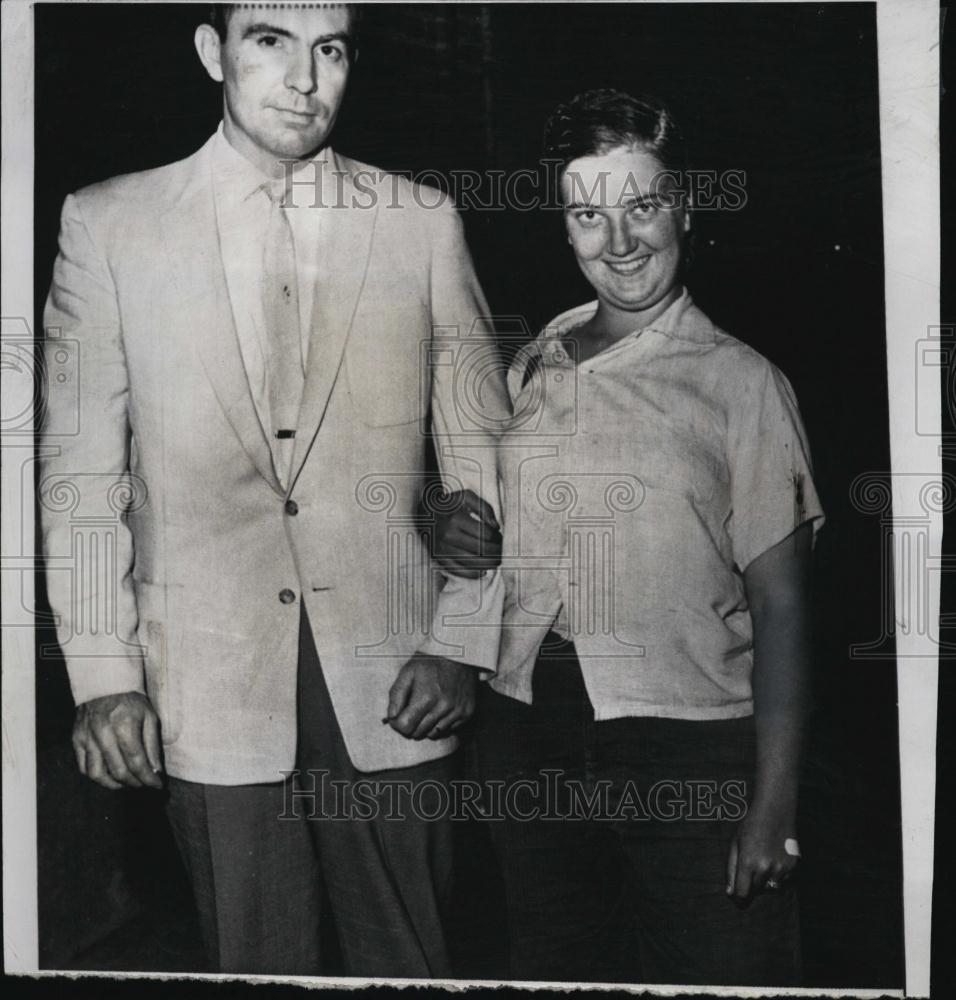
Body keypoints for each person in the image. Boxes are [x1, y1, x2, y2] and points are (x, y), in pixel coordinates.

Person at [39, 2, 509, 977]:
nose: (304, 77)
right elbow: (81, 476)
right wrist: (103, 675)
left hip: (396, 683)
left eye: (329, 48)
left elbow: (483, 456)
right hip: (205, 683)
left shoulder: (419, 221)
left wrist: (461, 639)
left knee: (409, 963)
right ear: (213, 51)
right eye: (270, 40)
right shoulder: (107, 223)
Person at [434, 89, 824, 986]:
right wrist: (453, 528)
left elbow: (786, 609)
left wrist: (774, 806)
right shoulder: (531, 362)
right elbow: (483, 516)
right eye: (588, 215)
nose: (619, 242)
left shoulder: (743, 383)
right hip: (529, 724)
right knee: (558, 965)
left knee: (721, 968)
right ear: (564, 228)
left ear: (684, 205)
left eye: (642, 206)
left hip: (688, 741)